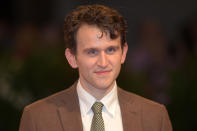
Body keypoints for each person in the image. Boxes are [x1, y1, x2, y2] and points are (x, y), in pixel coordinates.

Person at [19, 4, 172, 131]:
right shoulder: (38, 118)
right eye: (92, 52)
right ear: (72, 58)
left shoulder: (155, 117)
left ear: (123, 53)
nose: (103, 62)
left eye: (111, 50)